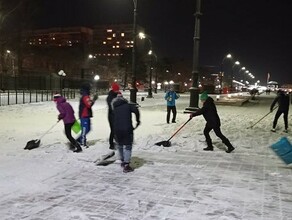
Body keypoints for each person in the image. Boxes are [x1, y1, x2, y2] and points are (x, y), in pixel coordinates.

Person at [112, 93, 140, 173]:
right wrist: (138, 120)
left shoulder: (115, 108)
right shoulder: (128, 105)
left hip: (117, 129)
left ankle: (122, 160)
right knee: (128, 146)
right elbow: (136, 110)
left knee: (120, 145)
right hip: (127, 129)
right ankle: (126, 165)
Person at [77, 83, 98, 148]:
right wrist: (94, 100)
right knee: (85, 129)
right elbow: (88, 105)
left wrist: (92, 100)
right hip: (84, 115)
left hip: (86, 115)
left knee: (88, 129)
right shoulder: (85, 96)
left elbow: (88, 103)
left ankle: (79, 140)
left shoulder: (85, 95)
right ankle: (82, 143)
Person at [106, 82, 120, 150]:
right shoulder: (110, 97)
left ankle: (117, 140)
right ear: (114, 90)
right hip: (111, 115)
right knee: (113, 130)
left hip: (117, 114)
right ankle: (111, 144)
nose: (118, 91)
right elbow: (112, 106)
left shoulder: (118, 94)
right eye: (117, 90)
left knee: (117, 129)